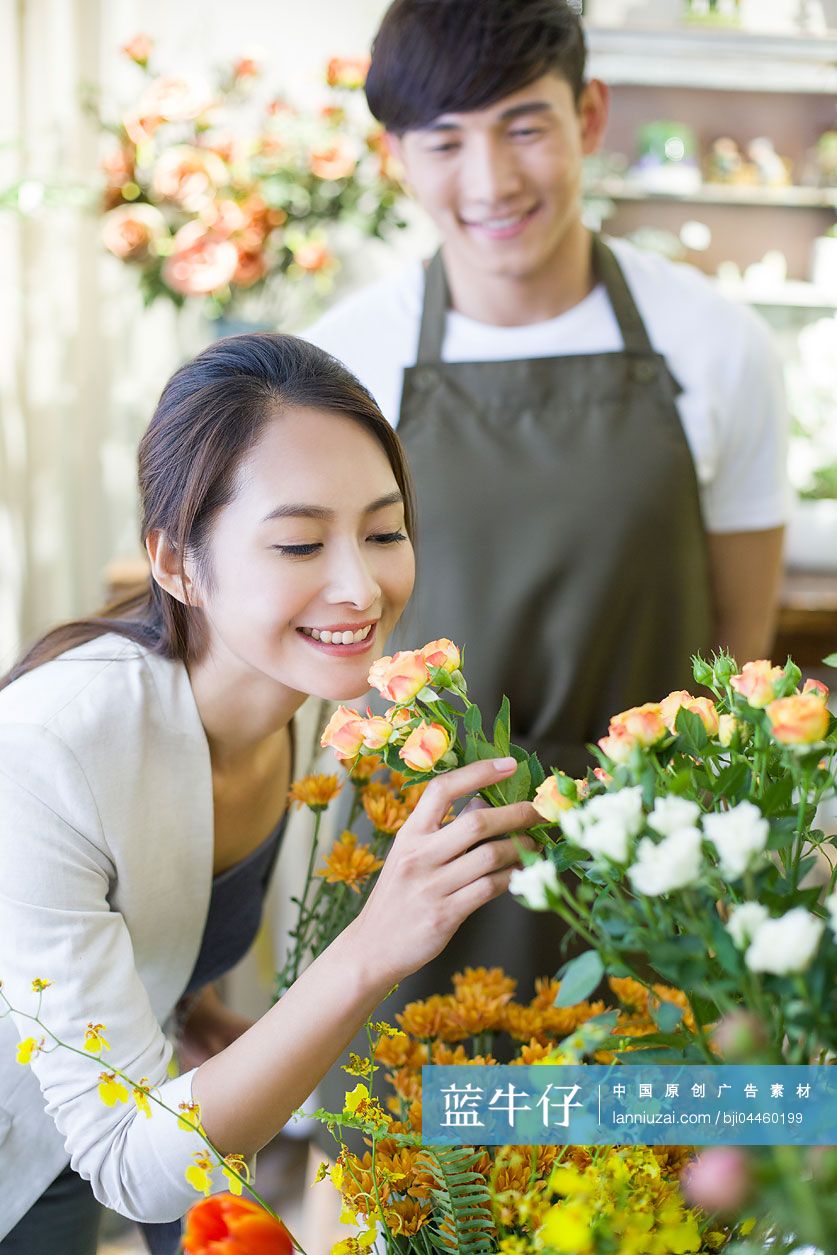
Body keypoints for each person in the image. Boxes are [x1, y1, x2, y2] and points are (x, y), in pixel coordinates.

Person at [301, 0, 789, 1158]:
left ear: (590, 117)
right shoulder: (345, 360)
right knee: (425, 1191)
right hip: (423, 875)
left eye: (524, 126)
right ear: (395, 156)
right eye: (445, 139)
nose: (490, 177)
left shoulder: (716, 346)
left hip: (654, 876)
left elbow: (740, 658)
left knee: (648, 1199)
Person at [0, 333, 539, 1253]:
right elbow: (131, 1157)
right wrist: (373, 945)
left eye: (382, 531)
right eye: (298, 541)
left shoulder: (287, 702)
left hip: (89, 1157)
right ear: (174, 560)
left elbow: (143, 915)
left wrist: (189, 1010)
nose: (359, 585)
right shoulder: (54, 746)